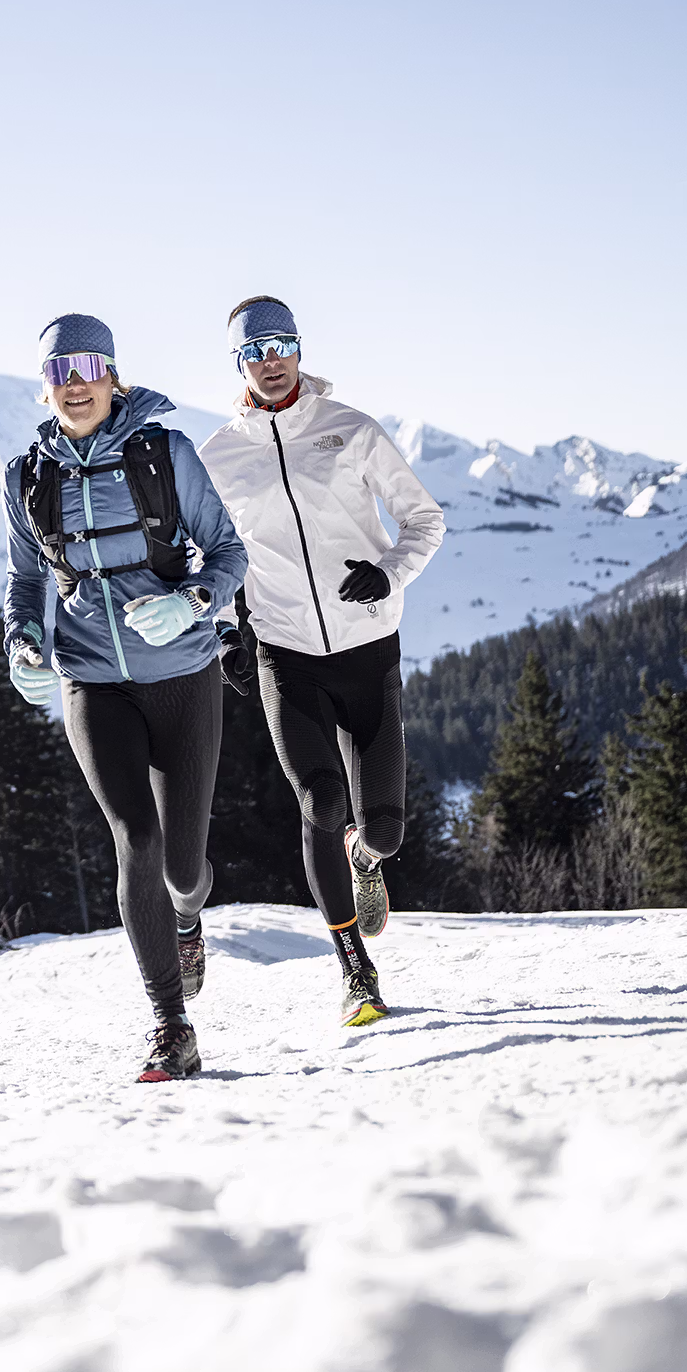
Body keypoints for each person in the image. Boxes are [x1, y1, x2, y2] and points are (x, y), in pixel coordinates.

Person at [2, 314, 248, 1083]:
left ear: (113, 374)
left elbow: (230, 552)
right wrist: (19, 642)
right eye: (58, 371)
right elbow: (26, 579)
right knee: (133, 838)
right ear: (45, 385)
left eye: (86, 366)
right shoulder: (27, 476)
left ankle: (185, 916)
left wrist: (196, 601)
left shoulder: (165, 453)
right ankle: (172, 1025)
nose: (74, 383)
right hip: (91, 678)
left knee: (181, 868)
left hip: (182, 672)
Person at [199, 295, 445, 1028]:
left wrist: (390, 571)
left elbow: (426, 519)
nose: (270, 361)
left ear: (300, 351)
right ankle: (355, 972)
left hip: (368, 648)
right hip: (286, 655)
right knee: (320, 802)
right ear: (238, 362)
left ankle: (363, 860)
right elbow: (209, 559)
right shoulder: (218, 458)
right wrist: (225, 633)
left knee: (384, 829)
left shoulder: (352, 431)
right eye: (255, 350)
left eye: (282, 345)